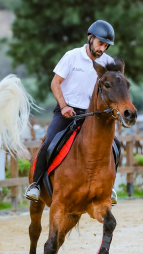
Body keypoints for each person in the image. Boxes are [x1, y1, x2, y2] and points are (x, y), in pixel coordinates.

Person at [25, 20, 121, 205]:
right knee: (49, 144)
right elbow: (55, 83)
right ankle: (35, 185)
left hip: (92, 116)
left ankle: (108, 187)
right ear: (90, 38)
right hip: (67, 112)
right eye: (100, 43)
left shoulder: (108, 62)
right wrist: (63, 106)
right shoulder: (71, 56)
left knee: (115, 146)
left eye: (106, 45)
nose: (103, 48)